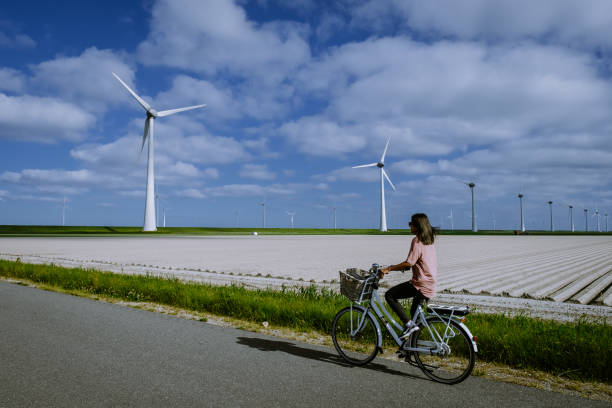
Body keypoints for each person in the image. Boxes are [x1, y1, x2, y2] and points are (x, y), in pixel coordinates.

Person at [379, 213, 437, 340]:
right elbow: (415, 262)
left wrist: (388, 269)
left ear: (417, 226)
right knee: (415, 317)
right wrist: (403, 267)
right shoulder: (429, 240)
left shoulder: (416, 241)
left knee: (390, 295)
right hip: (430, 283)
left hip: (420, 284)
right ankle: (411, 349)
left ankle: (407, 324)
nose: (409, 226)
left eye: (411, 223)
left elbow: (409, 262)